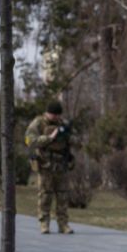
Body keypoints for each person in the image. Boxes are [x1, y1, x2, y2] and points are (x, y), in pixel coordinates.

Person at [25, 100, 77, 235]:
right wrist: (50, 137)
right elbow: (30, 141)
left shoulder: (63, 124)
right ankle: (44, 223)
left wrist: (68, 136)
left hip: (61, 165)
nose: (56, 118)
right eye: (53, 115)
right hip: (45, 164)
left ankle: (63, 224)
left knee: (63, 195)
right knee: (45, 195)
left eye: (58, 115)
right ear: (47, 113)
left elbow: (78, 142)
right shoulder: (38, 123)